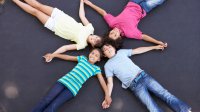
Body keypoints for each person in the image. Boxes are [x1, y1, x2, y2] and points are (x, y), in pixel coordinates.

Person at [101, 43, 191, 112]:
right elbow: (110, 83)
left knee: (164, 94)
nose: (107, 49)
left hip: (144, 76)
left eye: (108, 46)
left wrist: (154, 47)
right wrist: (107, 97)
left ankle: (185, 110)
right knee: (151, 107)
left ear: (113, 47)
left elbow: (138, 50)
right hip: (135, 86)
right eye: (105, 49)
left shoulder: (121, 52)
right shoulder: (107, 66)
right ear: (104, 55)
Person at [32, 48, 112, 112]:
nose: (93, 55)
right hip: (63, 82)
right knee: (46, 100)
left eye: (96, 55)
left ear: (98, 59)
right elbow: (68, 57)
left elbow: (102, 81)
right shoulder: (82, 59)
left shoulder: (96, 69)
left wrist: (107, 95)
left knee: (54, 105)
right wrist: (54, 55)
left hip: (72, 90)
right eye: (92, 53)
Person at [12, 0, 103, 51]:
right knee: (38, 5)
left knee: (35, 12)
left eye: (95, 42)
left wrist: (54, 54)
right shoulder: (90, 28)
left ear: (93, 45)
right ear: (96, 35)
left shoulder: (82, 44)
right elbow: (82, 16)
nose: (94, 39)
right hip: (60, 16)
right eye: (96, 38)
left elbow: (66, 48)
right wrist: (82, 2)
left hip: (54, 26)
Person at [84, 0, 167, 48]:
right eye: (115, 35)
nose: (114, 32)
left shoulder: (112, 23)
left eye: (111, 33)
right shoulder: (129, 33)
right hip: (144, 8)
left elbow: (103, 13)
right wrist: (157, 42)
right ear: (119, 37)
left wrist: (90, 4)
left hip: (133, 2)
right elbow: (144, 37)